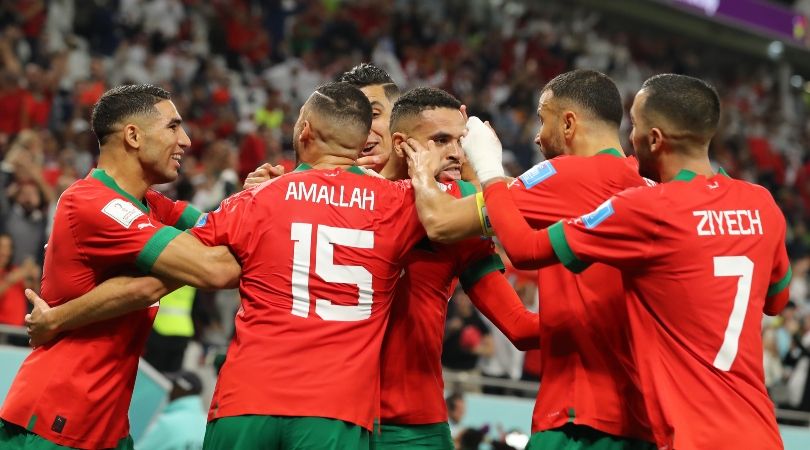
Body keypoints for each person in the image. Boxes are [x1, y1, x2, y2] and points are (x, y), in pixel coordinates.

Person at [464, 74, 791, 449]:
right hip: (761, 432)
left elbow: (524, 249)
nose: (628, 142)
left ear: (654, 138)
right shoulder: (761, 203)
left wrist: (489, 171)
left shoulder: (648, 208)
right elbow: (776, 302)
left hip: (692, 436)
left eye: (633, 126)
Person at [403, 69, 655, 449]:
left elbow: (441, 222)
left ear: (568, 122)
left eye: (543, 119)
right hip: (645, 419)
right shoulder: (656, 190)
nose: (537, 136)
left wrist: (436, 171)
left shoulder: (560, 175)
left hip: (577, 417)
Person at [193, 81, 438, 450]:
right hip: (335, 410)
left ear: (304, 129)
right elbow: (472, 208)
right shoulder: (400, 203)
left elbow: (186, 255)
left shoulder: (259, 196)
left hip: (245, 401)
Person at [0, 84, 241, 450]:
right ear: (133, 135)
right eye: (173, 127)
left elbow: (222, 233)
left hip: (108, 427)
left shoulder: (152, 204)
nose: (187, 141)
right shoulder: (91, 202)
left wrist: (254, 201)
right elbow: (216, 270)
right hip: (55, 423)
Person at [136, 371, 207, 450]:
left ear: (182, 389)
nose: (170, 391)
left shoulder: (168, 423)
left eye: (174, 385)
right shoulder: (207, 423)